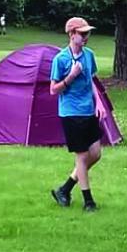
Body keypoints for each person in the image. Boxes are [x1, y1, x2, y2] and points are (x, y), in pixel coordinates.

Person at [50, 17, 105, 212]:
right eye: (82, 34)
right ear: (71, 34)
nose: (86, 37)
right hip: (71, 113)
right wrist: (71, 76)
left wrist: (99, 103)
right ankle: (88, 201)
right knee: (81, 157)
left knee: (96, 154)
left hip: (88, 111)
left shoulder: (89, 55)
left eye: (87, 33)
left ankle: (64, 189)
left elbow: (91, 82)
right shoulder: (61, 59)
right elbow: (53, 90)